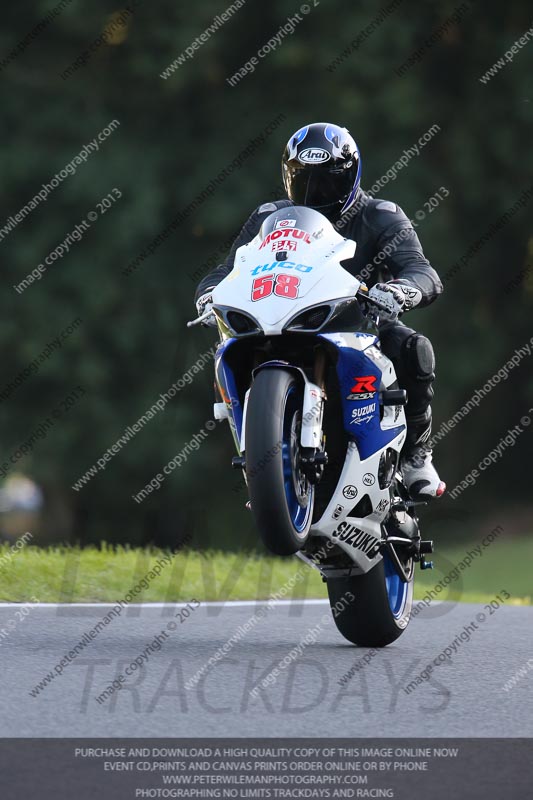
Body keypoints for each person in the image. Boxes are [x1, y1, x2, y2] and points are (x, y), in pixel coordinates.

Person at [195, 122, 445, 500]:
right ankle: (262, 443)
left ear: (350, 177)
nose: (315, 193)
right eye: (304, 181)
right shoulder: (268, 217)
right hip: (281, 318)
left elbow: (422, 271)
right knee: (227, 349)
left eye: (327, 182)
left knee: (414, 348)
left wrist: (401, 290)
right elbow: (228, 268)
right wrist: (209, 292)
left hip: (360, 323)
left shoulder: (381, 215)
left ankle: (416, 455)